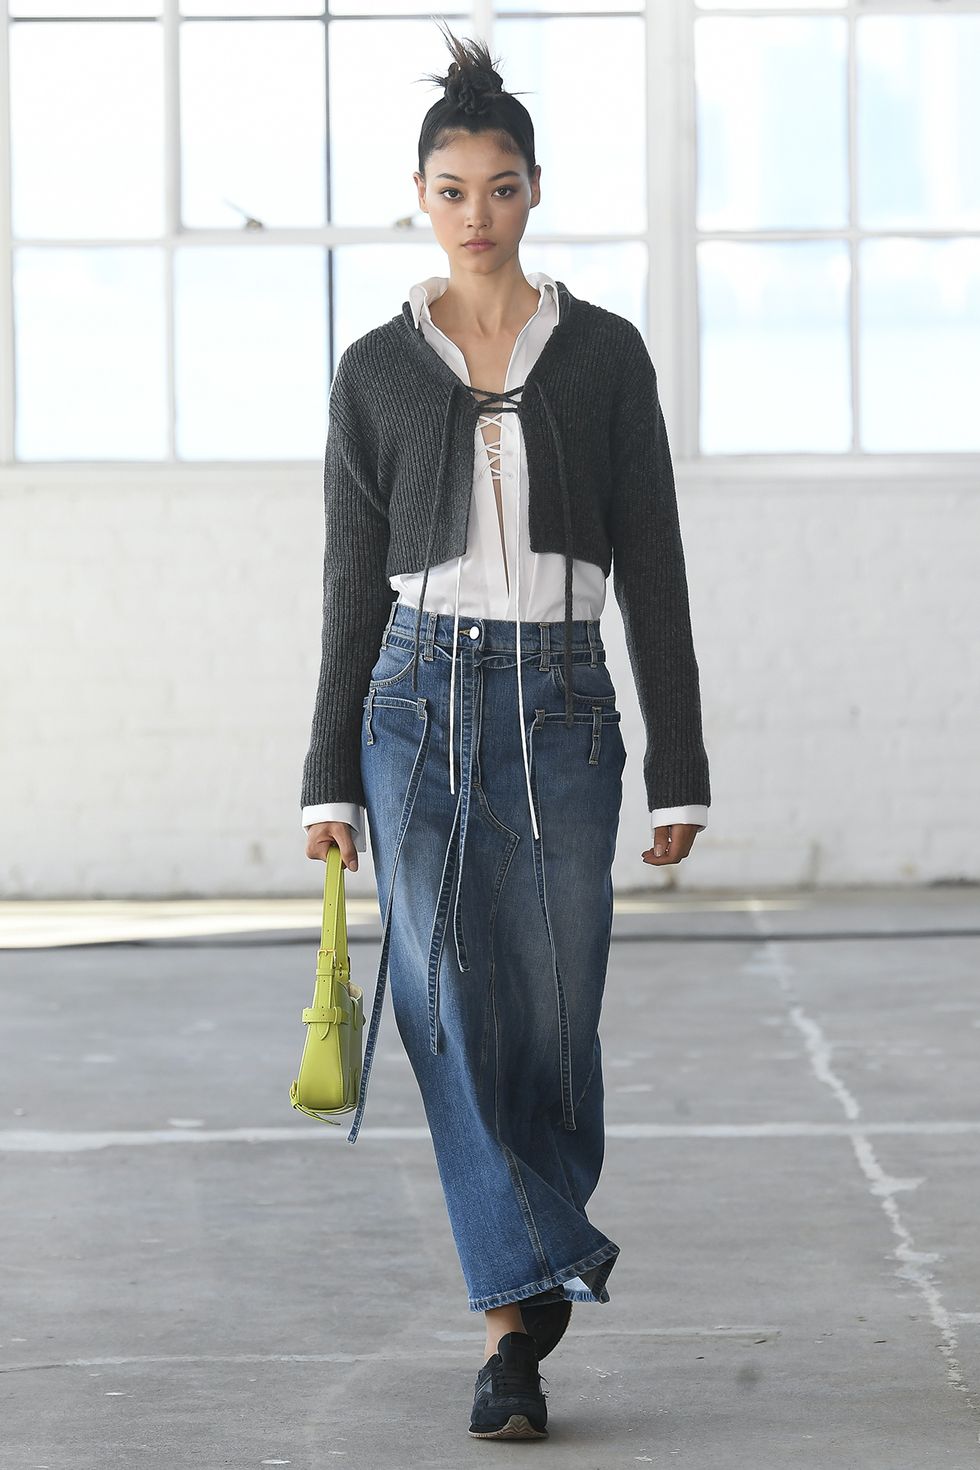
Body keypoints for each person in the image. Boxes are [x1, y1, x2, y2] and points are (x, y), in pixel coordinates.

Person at [300, 22, 711, 1441]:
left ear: (537, 191)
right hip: (410, 703)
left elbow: (651, 561)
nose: (479, 214)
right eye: (453, 187)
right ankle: (512, 1326)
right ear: (421, 196)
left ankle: (534, 1249)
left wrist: (685, 763)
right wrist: (323, 779)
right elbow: (351, 582)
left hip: (563, 704)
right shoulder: (374, 369)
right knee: (445, 1008)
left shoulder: (602, 357)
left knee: (548, 1011)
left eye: (503, 186)